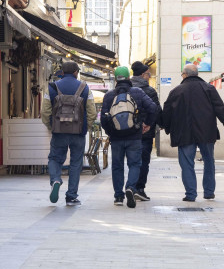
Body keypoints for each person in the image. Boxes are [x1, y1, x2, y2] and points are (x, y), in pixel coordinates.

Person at [160, 63, 224, 201]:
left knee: (187, 163)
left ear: (185, 74)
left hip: (184, 133)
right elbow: (220, 108)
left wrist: (165, 126)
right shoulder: (209, 88)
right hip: (206, 132)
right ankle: (209, 192)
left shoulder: (176, 91)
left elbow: (167, 112)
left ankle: (190, 194)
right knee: (209, 161)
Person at [100, 66, 158, 208]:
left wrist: (111, 132)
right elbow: (153, 108)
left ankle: (118, 197)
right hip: (134, 136)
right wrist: (148, 124)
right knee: (135, 164)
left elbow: (103, 119)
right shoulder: (137, 92)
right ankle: (131, 188)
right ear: (128, 77)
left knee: (117, 166)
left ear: (115, 79)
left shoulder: (109, 95)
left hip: (117, 138)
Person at [41, 61, 96, 206]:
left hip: (58, 131)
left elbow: (45, 111)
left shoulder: (52, 87)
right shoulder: (85, 88)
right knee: (76, 163)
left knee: (54, 158)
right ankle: (71, 196)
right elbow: (92, 112)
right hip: (78, 133)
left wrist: (50, 126)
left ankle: (56, 180)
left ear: (62, 72)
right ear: (76, 72)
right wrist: (85, 128)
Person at [130, 61, 160, 201]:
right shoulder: (149, 91)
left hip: (127, 132)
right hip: (145, 133)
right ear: (143, 75)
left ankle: (127, 188)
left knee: (130, 162)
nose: (149, 76)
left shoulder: (125, 88)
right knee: (143, 162)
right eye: (148, 74)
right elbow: (156, 110)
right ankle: (139, 189)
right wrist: (152, 124)